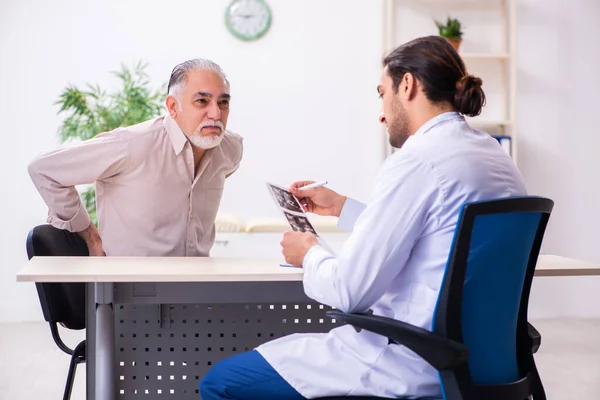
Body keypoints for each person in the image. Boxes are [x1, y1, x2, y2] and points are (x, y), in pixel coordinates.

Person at [199, 35, 527, 399]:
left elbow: (348, 291)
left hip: (410, 364)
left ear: (408, 84)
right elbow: (440, 236)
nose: (382, 112)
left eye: (382, 93)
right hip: (484, 365)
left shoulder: (416, 162)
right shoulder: (496, 159)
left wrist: (307, 252)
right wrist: (342, 207)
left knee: (221, 383)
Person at [28, 58, 243, 257]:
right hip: (128, 292)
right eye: (202, 101)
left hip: (197, 290)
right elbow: (43, 168)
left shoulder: (230, 150)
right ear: (173, 107)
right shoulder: (131, 145)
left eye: (223, 103)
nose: (216, 114)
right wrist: (90, 237)